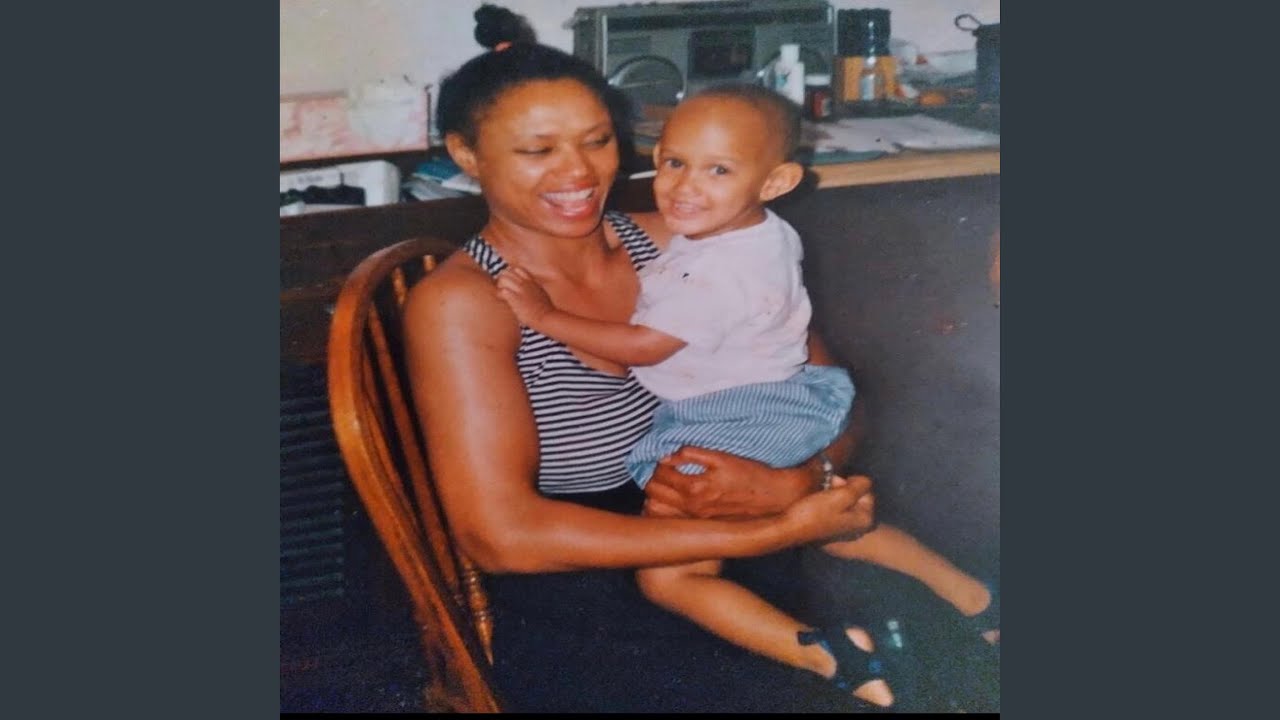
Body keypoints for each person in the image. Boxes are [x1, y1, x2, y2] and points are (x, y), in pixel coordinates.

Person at [494, 83, 998, 708]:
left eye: (718, 170)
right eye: (674, 162)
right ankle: (974, 595)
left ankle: (828, 652)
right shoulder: (755, 232)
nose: (684, 186)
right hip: (790, 396)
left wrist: (544, 317)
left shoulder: (717, 272)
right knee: (827, 519)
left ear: (777, 180)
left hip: (735, 418)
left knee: (671, 579)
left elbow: (644, 348)